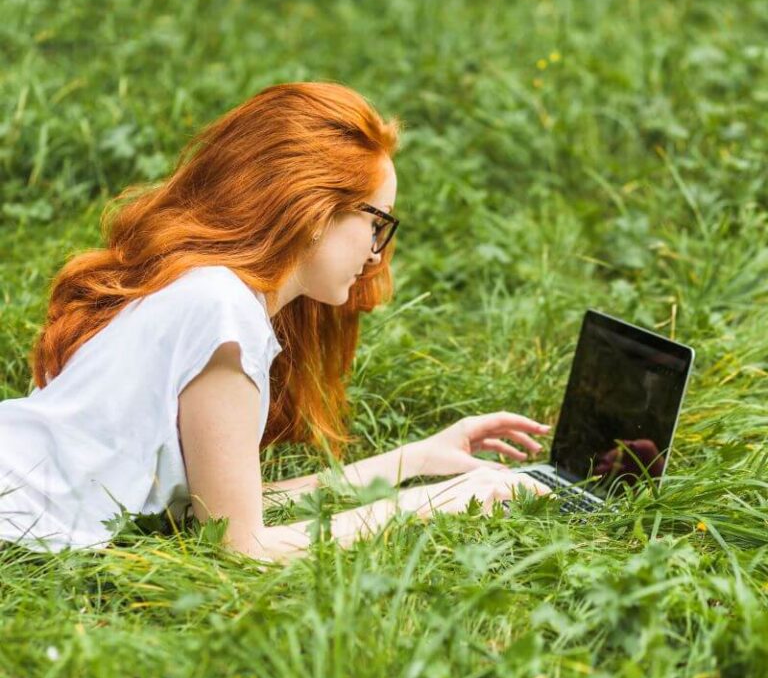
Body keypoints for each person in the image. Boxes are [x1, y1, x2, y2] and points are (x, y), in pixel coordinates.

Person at [0, 81, 551, 562]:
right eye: (378, 222)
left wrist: (415, 459)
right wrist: (442, 501)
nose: (379, 254)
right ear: (314, 209)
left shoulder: (210, 290)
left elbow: (222, 508)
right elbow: (245, 549)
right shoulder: (223, 312)